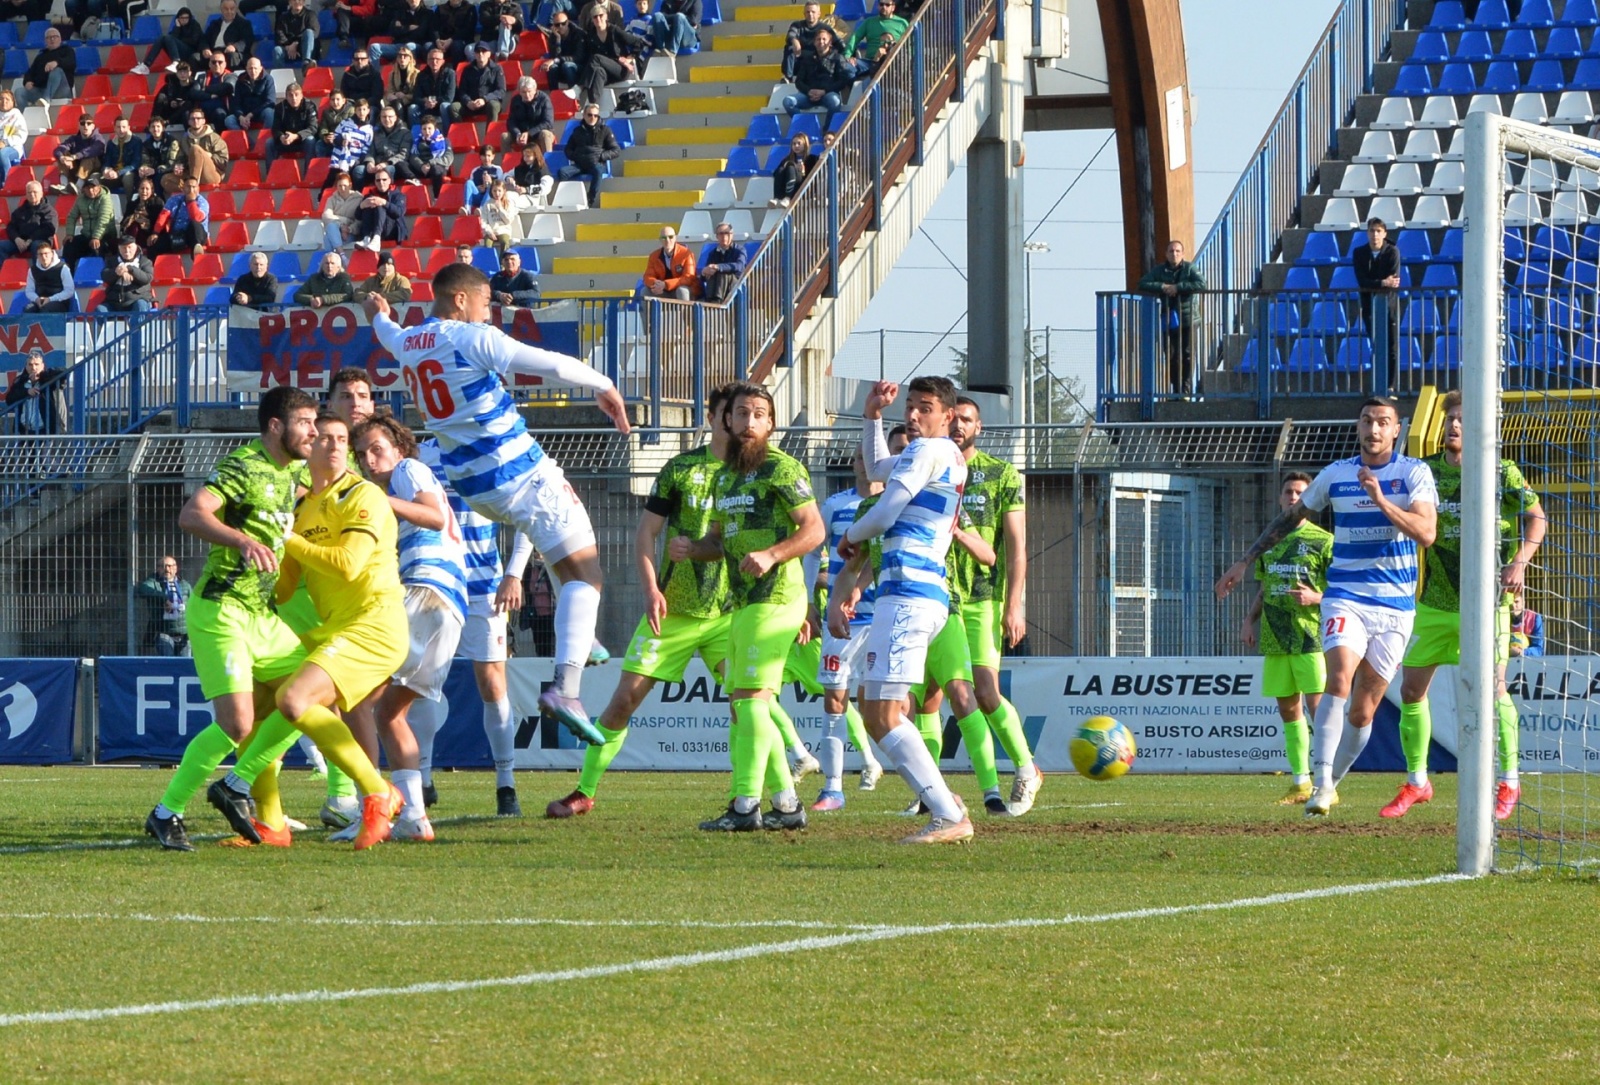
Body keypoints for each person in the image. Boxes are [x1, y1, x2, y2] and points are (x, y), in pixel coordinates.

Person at [364, 261, 632, 747]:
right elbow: (545, 362)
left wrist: (378, 312)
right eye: (486, 301)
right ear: (461, 299)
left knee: (562, 552)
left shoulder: (408, 342)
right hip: (516, 473)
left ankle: (582, 637)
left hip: (472, 486)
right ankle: (566, 689)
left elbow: (387, 333)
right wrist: (604, 385)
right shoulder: (470, 337)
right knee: (587, 573)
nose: (491, 311)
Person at [1215, 397, 1437, 818]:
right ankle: (1319, 783)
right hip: (1345, 597)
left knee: (1364, 709)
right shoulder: (1336, 474)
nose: (1374, 429)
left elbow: (1426, 533)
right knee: (1337, 680)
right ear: (1358, 427)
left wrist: (1382, 500)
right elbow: (1291, 518)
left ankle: (1332, 783)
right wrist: (1245, 562)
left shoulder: (1413, 473)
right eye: (1367, 421)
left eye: (1383, 422)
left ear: (1396, 431)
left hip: (1394, 607)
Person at [205, 409, 409, 850]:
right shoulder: (301, 509)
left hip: (375, 626)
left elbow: (350, 565)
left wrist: (288, 540)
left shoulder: (364, 495)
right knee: (257, 712)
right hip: (335, 629)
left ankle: (378, 792)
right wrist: (250, 559)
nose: (335, 445)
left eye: (342, 439)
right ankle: (272, 824)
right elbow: (287, 584)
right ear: (307, 450)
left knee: (294, 700)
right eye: (325, 438)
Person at [547, 386, 738, 820]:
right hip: (672, 613)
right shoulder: (681, 468)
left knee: (749, 702)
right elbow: (646, 534)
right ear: (712, 418)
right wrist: (652, 589)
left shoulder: (752, 474)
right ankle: (584, 791)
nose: (736, 422)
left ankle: (770, 794)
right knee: (622, 703)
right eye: (729, 413)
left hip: (728, 613)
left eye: (744, 413)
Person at [141, 387, 318, 852]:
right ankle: (166, 813)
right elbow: (191, 514)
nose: (314, 432)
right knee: (238, 724)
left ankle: (236, 784)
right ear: (276, 427)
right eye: (305, 422)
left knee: (317, 694)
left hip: (262, 615)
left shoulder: (297, 470)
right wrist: (241, 541)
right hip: (221, 611)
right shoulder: (244, 464)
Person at [667, 382, 823, 831]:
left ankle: (744, 806)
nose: (750, 422)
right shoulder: (725, 477)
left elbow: (814, 530)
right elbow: (718, 541)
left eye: (759, 414)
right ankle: (788, 805)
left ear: (770, 423)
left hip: (775, 596)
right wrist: (693, 549)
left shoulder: (780, 466)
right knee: (744, 704)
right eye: (742, 414)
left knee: (751, 701)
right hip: (742, 602)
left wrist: (773, 555)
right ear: (726, 421)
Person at [825, 377, 974, 843]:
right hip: (911, 593)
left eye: (924, 408)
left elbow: (886, 511)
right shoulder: (932, 454)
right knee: (875, 708)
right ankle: (946, 803)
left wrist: (851, 537)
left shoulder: (930, 450)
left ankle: (948, 813)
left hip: (909, 594)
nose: (912, 415)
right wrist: (872, 416)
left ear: (947, 417)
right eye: (909, 406)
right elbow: (880, 468)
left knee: (885, 713)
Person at [1390, 390, 1544, 821]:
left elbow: (1538, 518)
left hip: (1488, 604)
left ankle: (1509, 781)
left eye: (1462, 418)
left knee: (1493, 691)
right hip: (1436, 603)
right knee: (1410, 691)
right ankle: (1417, 782)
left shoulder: (1502, 471)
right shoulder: (1426, 473)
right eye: (1450, 418)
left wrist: (1519, 561)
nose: (1454, 425)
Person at [351, 414, 468, 841]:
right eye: (363, 455)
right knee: (388, 711)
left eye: (377, 448)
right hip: (451, 607)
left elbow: (434, 517)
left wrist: (371, 497)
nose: (370, 460)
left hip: (425, 590)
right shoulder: (392, 489)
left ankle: (367, 810)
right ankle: (415, 819)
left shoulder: (408, 470)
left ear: (399, 448)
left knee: (353, 696)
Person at [945, 396, 1042, 814]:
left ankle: (1026, 767)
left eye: (966, 420)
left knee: (986, 693)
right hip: (939, 597)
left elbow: (1017, 549)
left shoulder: (1002, 474)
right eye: (953, 418)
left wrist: (1014, 605)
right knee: (946, 692)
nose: (958, 426)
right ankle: (979, 792)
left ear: (979, 427)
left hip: (983, 597)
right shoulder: (932, 469)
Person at [1241, 472, 1332, 805]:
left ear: (1310, 501)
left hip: (1311, 638)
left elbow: (1342, 591)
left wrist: (1317, 598)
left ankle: (1326, 781)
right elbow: (1264, 588)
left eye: (1300, 493)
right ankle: (1300, 781)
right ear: (1280, 498)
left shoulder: (1324, 541)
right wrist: (1248, 621)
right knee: (1289, 711)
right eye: (1288, 492)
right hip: (1276, 638)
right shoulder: (1269, 541)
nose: (1293, 497)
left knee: (1319, 710)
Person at [806, 446, 888, 809]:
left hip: (886, 616)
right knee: (835, 698)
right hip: (842, 621)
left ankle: (923, 789)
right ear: (853, 464)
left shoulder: (895, 503)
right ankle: (833, 787)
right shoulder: (835, 505)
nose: (864, 464)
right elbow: (811, 551)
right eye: (858, 458)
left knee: (886, 709)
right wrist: (809, 602)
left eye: (870, 458)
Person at [1136, 238, 1204, 398]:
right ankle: (1176, 391)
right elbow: (1143, 283)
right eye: (1171, 251)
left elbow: (1201, 284)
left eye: (1177, 251)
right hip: (1170, 318)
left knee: (1187, 354)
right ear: (1166, 254)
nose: (1174, 254)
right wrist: (1163, 287)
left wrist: (1178, 288)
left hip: (1189, 319)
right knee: (1172, 355)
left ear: (1183, 254)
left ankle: (1185, 391)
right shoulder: (1160, 270)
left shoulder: (1190, 268)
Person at [1352, 216, 1401, 389]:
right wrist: (1381, 282)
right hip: (1369, 306)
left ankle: (1391, 386)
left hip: (1389, 306)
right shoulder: (1359, 253)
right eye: (1372, 231)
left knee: (1392, 347)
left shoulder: (1392, 252)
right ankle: (1377, 385)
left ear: (1384, 233)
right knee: (1376, 345)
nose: (1375, 235)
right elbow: (1362, 281)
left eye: (1378, 231)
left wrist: (1380, 283)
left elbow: (1393, 281)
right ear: (1367, 233)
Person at [578, 9, 644, 109]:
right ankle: (593, 105)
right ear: (592, 20)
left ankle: (579, 87)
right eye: (595, 17)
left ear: (606, 17)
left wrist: (629, 59)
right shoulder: (591, 35)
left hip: (620, 69)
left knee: (596, 58)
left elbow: (638, 43)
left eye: (600, 15)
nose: (598, 19)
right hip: (606, 73)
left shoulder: (614, 31)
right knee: (597, 71)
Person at [559, 105, 619, 204]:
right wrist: (575, 156)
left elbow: (616, 150)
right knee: (563, 172)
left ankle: (590, 198)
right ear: (584, 115)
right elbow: (568, 149)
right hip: (580, 164)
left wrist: (601, 156)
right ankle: (570, 197)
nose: (593, 118)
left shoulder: (605, 130)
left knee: (598, 172)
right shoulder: (577, 131)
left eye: (596, 115)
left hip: (596, 163)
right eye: (590, 115)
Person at [784, 26, 850, 116]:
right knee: (787, 101)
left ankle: (828, 129)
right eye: (818, 39)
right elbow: (799, 81)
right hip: (808, 96)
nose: (821, 42)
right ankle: (803, 127)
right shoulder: (807, 59)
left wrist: (824, 91)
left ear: (830, 43)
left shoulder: (838, 58)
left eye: (824, 39)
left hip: (828, 94)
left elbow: (842, 81)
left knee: (835, 102)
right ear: (814, 42)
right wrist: (808, 91)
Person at [137, 556, 192, 656]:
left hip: (184, 635)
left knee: (184, 667)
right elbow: (142, 590)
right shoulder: (154, 583)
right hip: (164, 633)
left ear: (175, 568)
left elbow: (193, 605)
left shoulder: (185, 585)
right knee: (168, 665)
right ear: (158, 569)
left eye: (170, 566)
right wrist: (165, 598)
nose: (167, 569)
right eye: (163, 566)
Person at [5, 349, 67, 435]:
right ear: (26, 367)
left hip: (47, 430)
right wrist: (26, 392)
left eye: (36, 364)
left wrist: (41, 376)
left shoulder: (49, 380)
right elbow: (9, 399)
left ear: (42, 366)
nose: (33, 368)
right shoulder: (20, 381)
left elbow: (64, 373)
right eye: (30, 364)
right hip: (25, 430)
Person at [61, 176, 116, 271]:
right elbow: (72, 216)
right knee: (69, 245)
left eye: (93, 187)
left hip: (105, 236)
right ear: (84, 189)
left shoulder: (105, 198)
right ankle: (69, 275)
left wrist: (96, 237)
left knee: (96, 249)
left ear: (99, 187)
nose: (91, 190)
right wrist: (69, 234)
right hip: (86, 235)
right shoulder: (80, 199)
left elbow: (104, 219)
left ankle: (99, 277)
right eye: (88, 188)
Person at [842, 0, 906, 78]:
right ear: (878, 6)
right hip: (870, 62)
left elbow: (910, 43)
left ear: (893, 7)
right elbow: (855, 37)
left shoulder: (902, 23)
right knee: (846, 66)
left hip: (893, 63)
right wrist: (848, 55)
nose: (884, 7)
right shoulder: (869, 22)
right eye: (881, 4)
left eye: (887, 5)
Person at [15, 27, 75, 109]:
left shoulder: (67, 50)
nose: (52, 39)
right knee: (19, 92)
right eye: (49, 38)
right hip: (40, 90)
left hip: (61, 90)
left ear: (60, 39)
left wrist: (57, 63)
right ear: (45, 40)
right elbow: (30, 72)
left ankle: (45, 100)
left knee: (56, 71)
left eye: (55, 37)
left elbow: (71, 62)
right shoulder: (41, 56)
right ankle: (24, 117)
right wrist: (27, 81)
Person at [783, 1, 843, 81]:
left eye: (813, 12)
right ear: (804, 14)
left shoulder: (825, 28)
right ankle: (788, 78)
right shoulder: (797, 25)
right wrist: (794, 41)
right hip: (800, 61)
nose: (810, 14)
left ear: (819, 14)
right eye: (808, 12)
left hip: (818, 61)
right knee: (789, 47)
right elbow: (790, 35)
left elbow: (839, 43)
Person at [134, 8, 204, 75]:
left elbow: (194, 41)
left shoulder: (195, 25)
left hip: (191, 52)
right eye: (182, 18)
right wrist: (177, 27)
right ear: (178, 18)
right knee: (162, 38)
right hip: (180, 51)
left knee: (168, 38)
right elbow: (171, 38)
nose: (184, 20)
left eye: (186, 18)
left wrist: (179, 41)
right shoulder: (178, 26)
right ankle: (146, 65)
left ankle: (176, 61)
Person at [151, 174, 209, 256]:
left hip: (197, 235)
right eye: (188, 187)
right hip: (179, 235)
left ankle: (197, 251)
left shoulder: (203, 202)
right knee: (155, 245)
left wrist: (191, 201)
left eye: (194, 187)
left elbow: (197, 218)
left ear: (198, 189)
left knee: (194, 224)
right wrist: (155, 233)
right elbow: (163, 215)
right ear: (183, 189)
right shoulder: (174, 200)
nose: (191, 190)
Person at [0, 182, 58, 260]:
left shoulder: (49, 211)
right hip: (20, 242)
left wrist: (31, 239)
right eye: (29, 192)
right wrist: (16, 238)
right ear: (26, 195)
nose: (32, 194)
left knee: (36, 246)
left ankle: (36, 271)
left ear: (41, 193)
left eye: (35, 192)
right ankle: (4, 270)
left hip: (40, 241)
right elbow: (11, 227)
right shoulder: (19, 211)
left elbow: (49, 229)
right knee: (1, 246)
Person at [175, 107, 229, 191]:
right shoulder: (184, 140)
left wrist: (210, 156)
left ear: (204, 121)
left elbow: (223, 161)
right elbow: (180, 158)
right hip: (189, 172)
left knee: (195, 148)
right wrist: (179, 166)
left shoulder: (214, 137)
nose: (195, 121)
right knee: (165, 179)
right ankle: (189, 192)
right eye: (192, 119)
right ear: (188, 122)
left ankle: (193, 183)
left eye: (198, 118)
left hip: (211, 174)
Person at [52, 115, 106, 197]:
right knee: (63, 154)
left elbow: (91, 150)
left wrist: (74, 157)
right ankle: (64, 185)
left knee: (88, 157)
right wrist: (62, 158)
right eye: (82, 123)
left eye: (89, 123)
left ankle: (78, 186)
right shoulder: (74, 139)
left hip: (94, 170)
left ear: (93, 126)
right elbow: (59, 149)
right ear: (79, 125)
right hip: (77, 169)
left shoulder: (98, 138)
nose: (85, 126)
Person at [355, 167, 409, 249]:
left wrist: (384, 203)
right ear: (375, 182)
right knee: (369, 203)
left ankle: (376, 238)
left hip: (392, 231)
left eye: (384, 180)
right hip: (372, 229)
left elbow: (399, 212)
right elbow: (357, 216)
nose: (381, 182)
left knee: (379, 205)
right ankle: (366, 238)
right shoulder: (369, 195)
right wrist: (362, 206)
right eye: (378, 180)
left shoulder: (398, 195)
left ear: (390, 180)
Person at [454, 41, 507, 124]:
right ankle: (462, 134)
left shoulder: (497, 69)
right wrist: (468, 102)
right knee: (454, 107)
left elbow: (501, 91)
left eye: (484, 51)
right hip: (471, 105)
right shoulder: (467, 69)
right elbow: (462, 91)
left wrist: (485, 99)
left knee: (493, 105)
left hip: (488, 103)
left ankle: (490, 135)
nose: (481, 54)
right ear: (474, 54)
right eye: (478, 51)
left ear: (489, 54)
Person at [400, 114, 452, 197]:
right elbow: (413, 156)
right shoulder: (417, 141)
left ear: (435, 129)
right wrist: (421, 166)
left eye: (429, 128)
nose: (427, 131)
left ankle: (437, 197)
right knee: (401, 164)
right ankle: (414, 179)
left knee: (436, 169)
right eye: (424, 129)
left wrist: (430, 163)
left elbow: (448, 158)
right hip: (422, 168)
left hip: (437, 167)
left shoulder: (444, 140)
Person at [101, 234, 155, 312]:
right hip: (115, 301)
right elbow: (104, 275)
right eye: (124, 248)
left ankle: (136, 325)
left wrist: (130, 269)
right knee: (100, 310)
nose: (127, 251)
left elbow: (147, 278)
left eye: (130, 247)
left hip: (139, 298)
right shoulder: (112, 261)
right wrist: (117, 272)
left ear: (136, 247)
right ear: (119, 249)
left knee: (140, 306)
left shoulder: (145, 261)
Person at [267, 82, 318, 163]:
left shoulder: (309, 106)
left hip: (302, 140)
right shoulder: (280, 107)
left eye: (296, 95)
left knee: (310, 140)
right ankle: (270, 174)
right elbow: (275, 128)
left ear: (301, 96)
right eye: (290, 95)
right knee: (269, 143)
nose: (294, 98)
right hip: (286, 141)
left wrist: (296, 136)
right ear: (286, 97)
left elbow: (313, 128)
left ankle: (309, 174)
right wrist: (281, 137)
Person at [644, 224, 699, 300]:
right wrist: (656, 284)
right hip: (663, 290)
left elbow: (688, 278)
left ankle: (685, 312)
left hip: (685, 289)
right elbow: (647, 276)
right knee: (645, 291)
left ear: (675, 238)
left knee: (682, 291)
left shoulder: (686, 254)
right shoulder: (654, 256)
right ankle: (649, 312)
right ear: (660, 240)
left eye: (670, 237)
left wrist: (666, 284)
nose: (667, 240)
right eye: (664, 238)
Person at [362, 104, 411, 187]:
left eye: (390, 116)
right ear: (380, 118)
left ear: (395, 118)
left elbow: (403, 154)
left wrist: (386, 163)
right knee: (358, 170)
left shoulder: (405, 133)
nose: (387, 119)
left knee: (385, 171)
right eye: (384, 117)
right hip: (377, 164)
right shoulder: (375, 132)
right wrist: (370, 162)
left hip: (394, 165)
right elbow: (371, 151)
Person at [506, 76, 556, 156]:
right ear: (519, 91)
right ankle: (507, 164)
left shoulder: (544, 99)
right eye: (523, 92)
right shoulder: (515, 100)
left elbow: (548, 123)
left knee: (545, 134)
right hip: (522, 133)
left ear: (535, 90)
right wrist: (517, 133)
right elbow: (511, 121)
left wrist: (529, 133)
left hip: (539, 132)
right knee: (505, 137)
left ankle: (548, 162)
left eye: (529, 91)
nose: (527, 95)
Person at [200, 0, 256, 72]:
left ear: (236, 9)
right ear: (221, 10)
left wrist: (234, 46)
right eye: (226, 9)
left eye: (232, 9)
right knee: (195, 57)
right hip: (213, 52)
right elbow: (204, 39)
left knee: (232, 56)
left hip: (229, 52)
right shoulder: (214, 24)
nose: (229, 11)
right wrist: (205, 48)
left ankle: (233, 80)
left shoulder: (244, 24)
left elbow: (247, 40)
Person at [328, 97, 375, 179]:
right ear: (355, 110)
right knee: (332, 177)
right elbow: (335, 137)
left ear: (368, 111)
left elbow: (366, 146)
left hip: (355, 159)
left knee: (352, 178)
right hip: (340, 156)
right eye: (359, 110)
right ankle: (323, 192)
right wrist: (341, 141)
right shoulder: (345, 122)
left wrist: (360, 160)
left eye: (364, 109)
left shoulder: (369, 129)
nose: (361, 112)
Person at [226, 55, 275, 133]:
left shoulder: (268, 79)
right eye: (250, 68)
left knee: (270, 113)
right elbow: (236, 102)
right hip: (244, 113)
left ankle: (264, 139)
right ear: (246, 69)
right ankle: (246, 140)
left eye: (255, 68)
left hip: (260, 112)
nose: (253, 71)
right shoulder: (240, 80)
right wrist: (240, 116)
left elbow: (270, 101)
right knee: (229, 120)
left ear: (261, 68)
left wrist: (251, 114)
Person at [410, 48, 457, 126]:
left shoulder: (450, 74)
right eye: (431, 59)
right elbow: (416, 97)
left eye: (437, 59)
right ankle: (416, 136)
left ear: (443, 61)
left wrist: (434, 101)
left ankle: (446, 135)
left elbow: (449, 98)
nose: (434, 62)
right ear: (427, 61)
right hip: (426, 107)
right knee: (412, 108)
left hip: (441, 106)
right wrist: (425, 102)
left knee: (444, 105)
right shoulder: (421, 75)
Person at [538, 10, 584, 91]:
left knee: (567, 66)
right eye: (557, 25)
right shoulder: (554, 36)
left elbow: (578, 57)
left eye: (563, 23)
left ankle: (575, 96)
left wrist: (557, 60)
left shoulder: (578, 34)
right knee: (552, 68)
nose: (561, 26)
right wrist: (558, 40)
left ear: (568, 22)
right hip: (562, 66)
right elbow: (554, 56)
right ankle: (554, 96)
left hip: (578, 67)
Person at [23, 242, 74, 314]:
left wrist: (50, 299)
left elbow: (69, 291)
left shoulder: (63, 268)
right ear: (37, 256)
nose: (43, 257)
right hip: (39, 302)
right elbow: (29, 291)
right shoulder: (32, 270)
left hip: (59, 303)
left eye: (46, 253)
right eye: (40, 254)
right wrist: (37, 299)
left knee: (45, 310)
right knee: (27, 309)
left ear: (52, 254)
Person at [699, 222, 744, 303]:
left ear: (732, 235)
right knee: (712, 272)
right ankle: (710, 301)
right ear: (717, 236)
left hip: (735, 283)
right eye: (721, 234)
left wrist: (719, 267)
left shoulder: (739, 250)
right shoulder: (713, 253)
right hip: (716, 285)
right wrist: (704, 272)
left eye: (727, 233)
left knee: (722, 273)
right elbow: (704, 277)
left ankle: (717, 301)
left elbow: (739, 266)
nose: (724, 236)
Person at [98, 116, 142, 197]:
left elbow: (135, 164)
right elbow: (107, 161)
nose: (121, 130)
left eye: (124, 127)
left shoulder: (136, 141)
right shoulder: (111, 143)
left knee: (127, 177)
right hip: (113, 174)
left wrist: (118, 173)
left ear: (128, 127)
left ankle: (130, 206)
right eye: (118, 127)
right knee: (94, 178)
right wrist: (106, 170)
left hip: (128, 174)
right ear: (114, 128)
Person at [137, 117, 182, 196]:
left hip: (168, 170)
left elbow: (171, 163)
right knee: (139, 176)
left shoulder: (172, 142)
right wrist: (143, 168)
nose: (155, 129)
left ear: (163, 128)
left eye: (158, 126)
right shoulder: (146, 144)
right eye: (153, 127)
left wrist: (155, 170)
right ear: (149, 129)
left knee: (157, 178)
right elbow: (145, 160)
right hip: (153, 170)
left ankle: (159, 203)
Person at [320, 170, 362, 251]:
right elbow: (325, 216)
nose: (342, 188)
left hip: (350, 233)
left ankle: (332, 259)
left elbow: (359, 221)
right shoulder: (332, 199)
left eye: (345, 185)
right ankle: (341, 255)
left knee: (328, 238)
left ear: (350, 185)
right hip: (336, 230)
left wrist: (348, 229)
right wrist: (343, 223)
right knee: (331, 228)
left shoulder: (359, 199)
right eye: (340, 186)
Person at [121, 176, 166, 251]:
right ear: (138, 190)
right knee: (134, 226)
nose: (144, 191)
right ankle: (132, 248)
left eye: (147, 189)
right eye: (142, 188)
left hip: (152, 233)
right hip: (135, 233)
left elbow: (160, 221)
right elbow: (123, 222)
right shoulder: (132, 204)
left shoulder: (157, 203)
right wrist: (134, 217)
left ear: (152, 190)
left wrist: (148, 215)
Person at [770, 132, 816, 205]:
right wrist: (787, 166)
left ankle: (788, 198)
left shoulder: (812, 159)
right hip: (788, 185)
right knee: (783, 168)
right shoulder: (787, 158)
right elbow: (776, 173)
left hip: (803, 187)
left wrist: (802, 171)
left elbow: (814, 176)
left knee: (791, 168)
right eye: (794, 144)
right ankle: (777, 198)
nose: (796, 146)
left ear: (805, 144)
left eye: (799, 143)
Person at [152, 61, 203, 126]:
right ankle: (154, 121)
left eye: (185, 72)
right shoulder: (171, 84)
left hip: (185, 112)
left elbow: (194, 99)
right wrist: (171, 101)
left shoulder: (194, 85)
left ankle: (168, 122)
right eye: (180, 72)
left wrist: (183, 103)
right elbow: (162, 96)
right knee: (161, 97)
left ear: (190, 73)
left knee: (188, 104)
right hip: (172, 110)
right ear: (176, 74)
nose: (182, 74)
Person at [478, 180, 521, 255]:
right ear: (491, 191)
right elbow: (484, 221)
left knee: (504, 242)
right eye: (494, 191)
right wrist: (489, 232)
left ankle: (503, 263)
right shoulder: (487, 204)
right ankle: (490, 263)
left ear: (504, 191)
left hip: (503, 230)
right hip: (491, 231)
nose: (497, 193)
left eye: (499, 191)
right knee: (487, 244)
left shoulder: (508, 203)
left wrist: (500, 208)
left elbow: (508, 220)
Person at [194, 53, 234, 130]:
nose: (217, 64)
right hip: (202, 110)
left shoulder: (231, 76)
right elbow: (193, 93)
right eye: (213, 62)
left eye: (220, 62)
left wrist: (204, 89)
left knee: (219, 114)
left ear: (225, 64)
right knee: (188, 115)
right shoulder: (202, 77)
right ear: (209, 64)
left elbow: (227, 87)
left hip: (221, 109)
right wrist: (210, 95)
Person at [273, 0, 318, 68]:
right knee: (277, 50)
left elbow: (315, 33)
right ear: (290, 2)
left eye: (300, 0)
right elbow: (279, 34)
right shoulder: (283, 17)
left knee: (309, 32)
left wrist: (296, 43)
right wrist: (288, 46)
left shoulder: (311, 15)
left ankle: (306, 64)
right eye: (294, 0)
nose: (297, 2)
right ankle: (280, 75)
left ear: (303, 2)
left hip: (305, 49)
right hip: (288, 49)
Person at [315, 88, 355, 158]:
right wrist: (325, 136)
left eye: (338, 99)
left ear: (343, 100)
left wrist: (337, 136)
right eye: (332, 100)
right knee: (319, 144)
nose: (335, 102)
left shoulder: (351, 110)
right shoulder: (326, 112)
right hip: (331, 139)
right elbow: (323, 127)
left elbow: (351, 128)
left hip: (344, 139)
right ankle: (322, 166)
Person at [463, 143, 505, 210]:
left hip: (491, 197)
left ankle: (482, 209)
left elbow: (501, 186)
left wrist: (490, 184)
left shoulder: (498, 169)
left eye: (489, 155)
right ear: (480, 156)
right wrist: (480, 189)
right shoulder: (475, 171)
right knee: (468, 182)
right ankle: (467, 208)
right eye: (484, 156)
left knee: (490, 187)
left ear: (493, 156)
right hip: (478, 196)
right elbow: (472, 187)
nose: (486, 158)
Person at [384, 46, 420, 115]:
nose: (402, 58)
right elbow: (390, 90)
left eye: (405, 56)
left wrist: (404, 96)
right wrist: (394, 94)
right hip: (397, 100)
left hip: (411, 101)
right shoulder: (392, 74)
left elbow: (417, 94)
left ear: (410, 58)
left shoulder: (417, 74)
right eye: (400, 56)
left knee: (401, 105)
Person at [1508, 592, 1544, 657]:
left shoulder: (1534, 618)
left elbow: (1539, 650)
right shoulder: (1499, 618)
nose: (1513, 605)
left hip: (1527, 660)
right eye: (1510, 602)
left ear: (1523, 603)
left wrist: (1522, 652)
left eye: (1516, 602)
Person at [0, 88, 25, 183]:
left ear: (13, 102)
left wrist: (5, 143)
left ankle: (7, 183)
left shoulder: (16, 116)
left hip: (13, 148)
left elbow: (21, 135)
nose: (4, 101)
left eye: (7, 99)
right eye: (1, 99)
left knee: (2, 154)